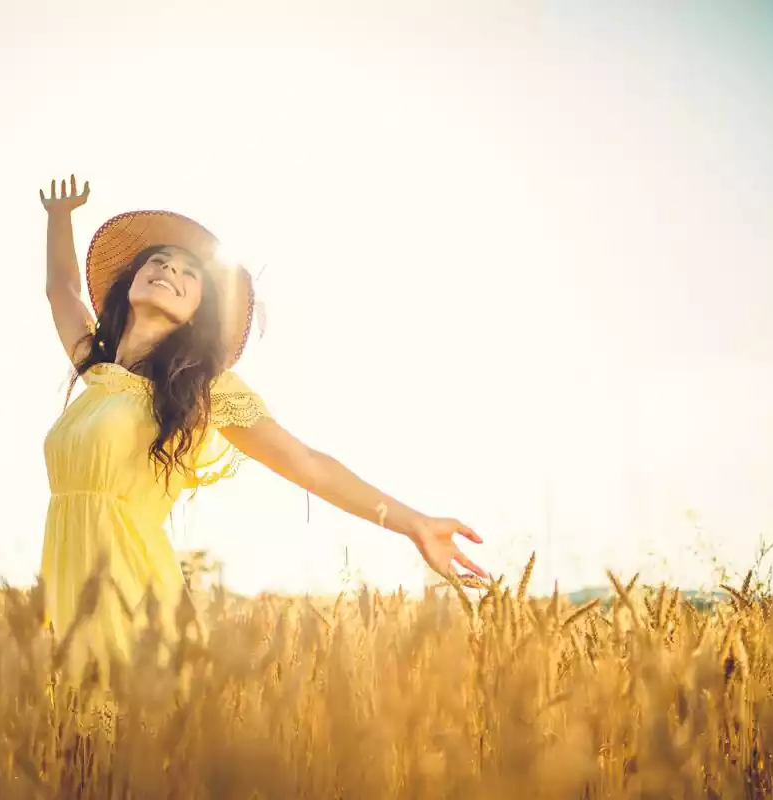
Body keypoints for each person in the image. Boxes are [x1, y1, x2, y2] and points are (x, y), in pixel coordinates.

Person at [39, 175, 487, 676]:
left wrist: (415, 524)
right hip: (65, 592)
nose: (168, 269)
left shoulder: (204, 391)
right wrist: (60, 218)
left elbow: (307, 464)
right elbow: (61, 290)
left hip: (133, 596)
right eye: (158, 261)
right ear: (132, 282)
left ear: (195, 315)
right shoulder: (97, 372)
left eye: (189, 272)